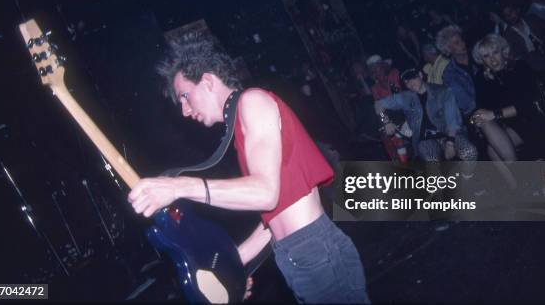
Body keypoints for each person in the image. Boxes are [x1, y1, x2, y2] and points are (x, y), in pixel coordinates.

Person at [128, 37, 370, 303]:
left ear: (207, 81)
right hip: (299, 254)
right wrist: (232, 268)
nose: (185, 110)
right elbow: (275, 217)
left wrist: (179, 187)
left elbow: (265, 194)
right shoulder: (243, 127)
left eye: (185, 96)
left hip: (314, 250)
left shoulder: (252, 102)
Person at [471, 34, 545, 164]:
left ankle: (519, 173)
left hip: (534, 117)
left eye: (495, 52)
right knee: (490, 144)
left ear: (503, 52)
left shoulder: (519, 67)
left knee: (494, 150)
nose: (492, 59)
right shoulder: (481, 78)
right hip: (509, 125)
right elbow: (481, 107)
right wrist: (476, 119)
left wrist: (495, 114)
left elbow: (529, 103)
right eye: (486, 56)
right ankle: (516, 182)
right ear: (481, 60)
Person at [374, 69, 477, 174]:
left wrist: (450, 143)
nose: (410, 83)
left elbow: (453, 122)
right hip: (425, 140)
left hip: (448, 135)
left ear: (420, 75)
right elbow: (378, 104)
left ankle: (467, 180)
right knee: (432, 162)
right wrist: (385, 120)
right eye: (406, 82)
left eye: (412, 78)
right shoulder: (406, 97)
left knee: (469, 152)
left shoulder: (442, 91)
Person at [436, 25, 478, 119]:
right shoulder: (449, 74)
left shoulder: (478, 55)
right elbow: (467, 104)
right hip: (477, 112)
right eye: (457, 43)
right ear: (448, 49)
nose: (462, 44)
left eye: (461, 40)